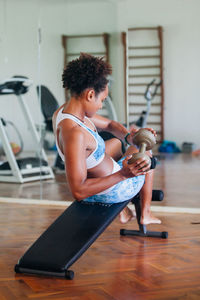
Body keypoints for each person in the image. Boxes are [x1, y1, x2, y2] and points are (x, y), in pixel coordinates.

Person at [52, 53, 161, 225]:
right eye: (102, 99)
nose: (101, 105)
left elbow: (110, 124)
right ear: (90, 95)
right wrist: (123, 174)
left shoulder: (65, 112)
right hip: (107, 191)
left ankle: (125, 211)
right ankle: (145, 213)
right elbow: (79, 191)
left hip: (99, 179)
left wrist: (130, 137)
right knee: (145, 152)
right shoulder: (75, 134)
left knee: (117, 142)